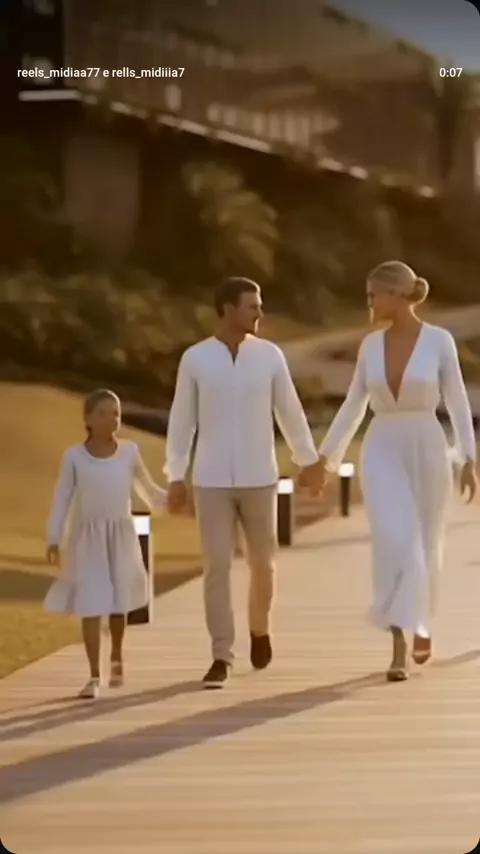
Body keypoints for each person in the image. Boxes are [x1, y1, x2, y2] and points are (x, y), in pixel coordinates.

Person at [310, 261, 477, 681]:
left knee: (425, 542)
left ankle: (421, 622)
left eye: (373, 295)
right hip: (382, 445)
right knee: (394, 539)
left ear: (397, 295)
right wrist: (325, 458)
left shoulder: (438, 341)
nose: (368, 303)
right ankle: (399, 646)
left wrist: (468, 459)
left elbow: (457, 402)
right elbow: (354, 404)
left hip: (427, 445)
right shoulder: (370, 347)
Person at [165, 277, 320, 688]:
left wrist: (308, 460)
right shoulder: (196, 359)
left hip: (259, 477)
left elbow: (289, 411)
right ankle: (221, 655)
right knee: (216, 566)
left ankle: (260, 628)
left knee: (263, 565)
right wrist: (176, 474)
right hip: (211, 480)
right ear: (228, 309)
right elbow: (182, 420)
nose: (260, 313)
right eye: (252, 306)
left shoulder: (269, 356)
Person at [44, 389, 167, 699]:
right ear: (88, 419)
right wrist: (54, 537)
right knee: (90, 604)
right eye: (103, 413)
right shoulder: (74, 457)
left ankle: (116, 654)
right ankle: (93, 675)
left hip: (120, 536)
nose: (111, 419)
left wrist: (172, 500)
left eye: (116, 413)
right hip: (88, 539)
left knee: (117, 603)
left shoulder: (129, 452)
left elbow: (148, 490)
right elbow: (62, 498)